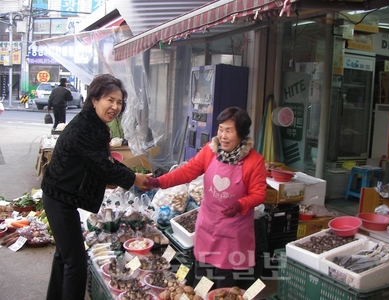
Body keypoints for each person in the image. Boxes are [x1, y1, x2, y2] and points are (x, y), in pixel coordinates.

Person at [40, 74, 150, 300]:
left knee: (64, 256)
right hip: (60, 198)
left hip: (62, 195)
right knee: (76, 263)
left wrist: (124, 172)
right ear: (94, 100)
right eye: (110, 100)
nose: (115, 107)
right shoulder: (87, 128)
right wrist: (133, 178)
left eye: (119, 102)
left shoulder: (92, 123)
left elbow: (100, 162)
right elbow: (103, 167)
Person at [146, 107, 267, 289]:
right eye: (220, 129)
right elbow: (187, 172)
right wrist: (158, 182)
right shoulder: (210, 152)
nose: (223, 136)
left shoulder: (254, 161)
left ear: (241, 133)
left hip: (233, 232)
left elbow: (259, 194)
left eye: (229, 131)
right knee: (202, 278)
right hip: (207, 226)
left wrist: (240, 204)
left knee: (224, 283)